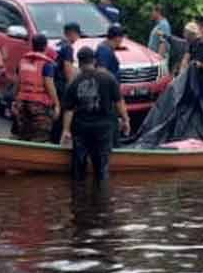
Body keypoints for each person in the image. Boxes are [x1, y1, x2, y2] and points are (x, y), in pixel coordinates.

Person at [60, 47, 130, 180]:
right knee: (102, 168)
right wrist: (126, 120)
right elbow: (119, 102)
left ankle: (78, 197)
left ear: (79, 63)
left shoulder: (74, 82)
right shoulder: (108, 78)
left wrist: (66, 130)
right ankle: (102, 197)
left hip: (81, 129)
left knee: (79, 167)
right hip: (103, 129)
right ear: (94, 61)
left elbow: (68, 109)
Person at [12, 34, 60, 142]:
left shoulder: (22, 61)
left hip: (22, 102)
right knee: (40, 137)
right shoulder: (46, 64)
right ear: (45, 47)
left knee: (23, 135)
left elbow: (18, 82)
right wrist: (57, 104)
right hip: (39, 105)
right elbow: (49, 85)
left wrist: (15, 100)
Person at [50, 22, 82, 142]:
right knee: (64, 112)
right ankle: (57, 139)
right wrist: (72, 86)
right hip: (61, 85)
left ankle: (52, 137)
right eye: (78, 35)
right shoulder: (68, 47)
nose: (78, 38)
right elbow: (67, 68)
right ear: (72, 33)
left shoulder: (57, 45)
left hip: (53, 83)